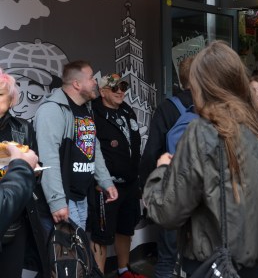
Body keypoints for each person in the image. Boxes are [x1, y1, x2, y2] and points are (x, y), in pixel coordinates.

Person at [143, 41, 258, 278]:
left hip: (221, 266)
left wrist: (162, 172)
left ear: (201, 87)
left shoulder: (203, 132)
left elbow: (167, 211)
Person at [34, 60, 118, 232]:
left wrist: (105, 181)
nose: (95, 82)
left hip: (81, 197)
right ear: (77, 84)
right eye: (91, 78)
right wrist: (57, 201)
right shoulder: (52, 110)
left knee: (79, 245)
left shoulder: (85, 109)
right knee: (70, 248)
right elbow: (48, 158)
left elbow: (93, 148)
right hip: (64, 199)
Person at [139, 56, 194, 278]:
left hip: (172, 189)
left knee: (167, 259)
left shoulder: (168, 107)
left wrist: (146, 187)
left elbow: (152, 151)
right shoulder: (214, 106)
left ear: (181, 79)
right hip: (203, 192)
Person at [89, 73, 145, 278]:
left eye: (123, 87)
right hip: (106, 185)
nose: (120, 91)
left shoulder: (127, 110)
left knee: (125, 229)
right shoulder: (93, 112)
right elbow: (90, 150)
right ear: (103, 92)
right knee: (101, 235)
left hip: (130, 183)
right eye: (114, 88)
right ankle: (99, 275)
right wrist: (99, 180)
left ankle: (124, 270)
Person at [0, 69, 48, 276]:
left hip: (16, 220)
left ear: (12, 100)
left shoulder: (23, 128)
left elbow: (36, 166)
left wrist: (33, 171)